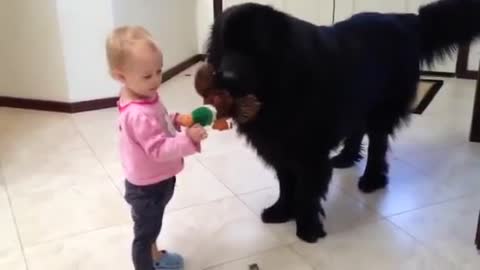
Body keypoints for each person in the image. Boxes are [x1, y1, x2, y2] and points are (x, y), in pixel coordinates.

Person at [106, 26, 207, 270]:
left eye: (158, 71)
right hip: (148, 187)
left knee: (151, 227)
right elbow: (158, 149)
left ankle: (155, 256)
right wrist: (189, 139)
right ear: (121, 77)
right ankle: (146, 264)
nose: (156, 80)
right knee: (145, 233)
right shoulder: (137, 114)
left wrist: (174, 120)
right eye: (147, 76)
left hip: (153, 179)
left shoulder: (142, 95)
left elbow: (157, 121)